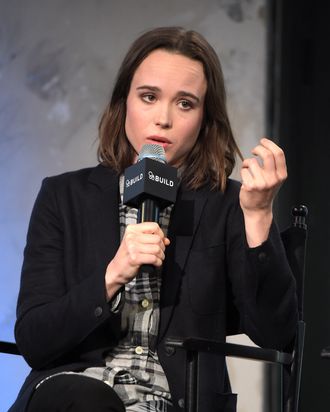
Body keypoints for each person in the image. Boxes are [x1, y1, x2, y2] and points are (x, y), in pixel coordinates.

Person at [9, 27, 298, 412]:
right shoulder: (64, 197)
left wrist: (259, 214)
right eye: (149, 97)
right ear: (123, 103)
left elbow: (276, 334)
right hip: (76, 393)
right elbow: (34, 340)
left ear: (204, 119)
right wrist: (112, 275)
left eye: (185, 104)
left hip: (174, 400)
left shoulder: (227, 203)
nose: (163, 119)